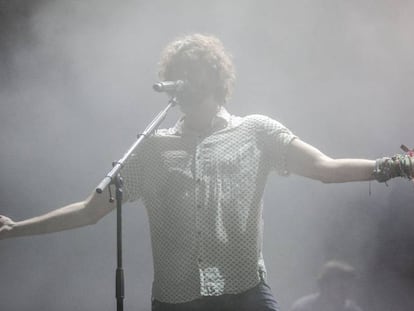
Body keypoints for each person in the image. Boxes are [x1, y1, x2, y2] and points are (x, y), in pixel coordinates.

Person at [0, 33, 413, 311]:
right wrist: (16, 228)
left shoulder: (256, 131)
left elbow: (325, 168)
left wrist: (395, 166)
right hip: (176, 299)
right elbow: (90, 211)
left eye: (192, 74)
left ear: (215, 79)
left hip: (245, 293)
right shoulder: (152, 148)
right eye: (176, 76)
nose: (183, 84)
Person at [290, 260, 363, 311]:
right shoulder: (303, 308)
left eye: (348, 288)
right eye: (341, 288)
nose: (345, 294)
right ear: (324, 286)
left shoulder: (352, 309)